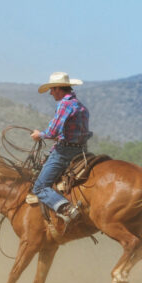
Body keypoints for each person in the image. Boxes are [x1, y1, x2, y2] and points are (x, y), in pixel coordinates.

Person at [30, 72, 93, 223]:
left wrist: (39, 135)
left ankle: (66, 208)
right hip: (82, 151)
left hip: (65, 152)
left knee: (39, 187)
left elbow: (52, 131)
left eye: (52, 89)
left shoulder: (65, 104)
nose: (51, 93)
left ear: (58, 88)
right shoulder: (80, 106)